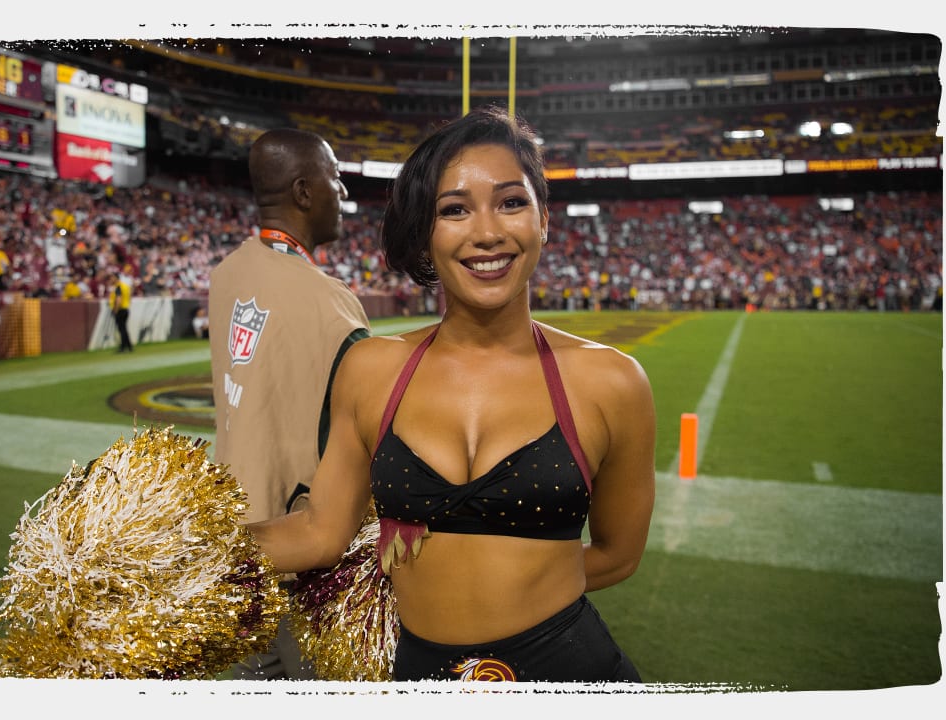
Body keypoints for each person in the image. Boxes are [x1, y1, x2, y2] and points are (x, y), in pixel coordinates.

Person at [245, 106, 656, 683]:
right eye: (455, 210)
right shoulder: (369, 369)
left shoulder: (612, 381)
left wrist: (519, 587)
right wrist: (190, 550)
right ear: (425, 232)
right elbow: (319, 531)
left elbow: (619, 552)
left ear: (544, 220)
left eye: (512, 202)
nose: (487, 232)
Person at [208, 127, 372, 681]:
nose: (343, 192)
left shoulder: (227, 271)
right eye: (335, 177)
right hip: (296, 558)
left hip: (229, 536)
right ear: (304, 192)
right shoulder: (332, 306)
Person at [108, 271, 135, 353]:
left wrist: (115, 310)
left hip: (120, 310)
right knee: (124, 329)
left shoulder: (118, 287)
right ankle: (129, 346)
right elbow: (130, 295)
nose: (111, 279)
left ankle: (123, 347)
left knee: (122, 329)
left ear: (116, 278)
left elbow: (118, 299)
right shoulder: (125, 286)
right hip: (126, 308)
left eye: (112, 277)